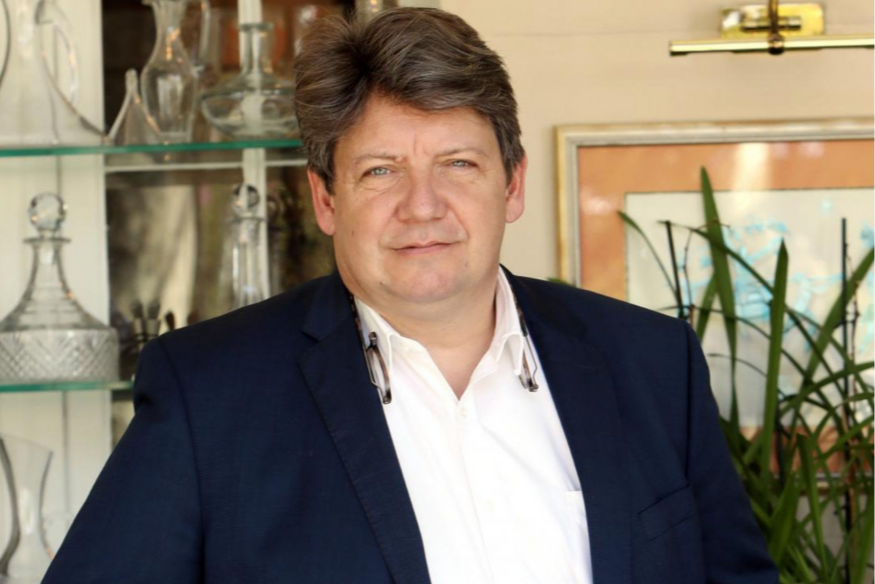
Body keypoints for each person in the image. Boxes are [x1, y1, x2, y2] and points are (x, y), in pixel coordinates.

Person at [43, 8, 777, 584]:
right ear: (326, 198)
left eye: (457, 164)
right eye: (381, 171)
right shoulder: (208, 392)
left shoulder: (652, 363)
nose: (422, 206)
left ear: (511, 184)